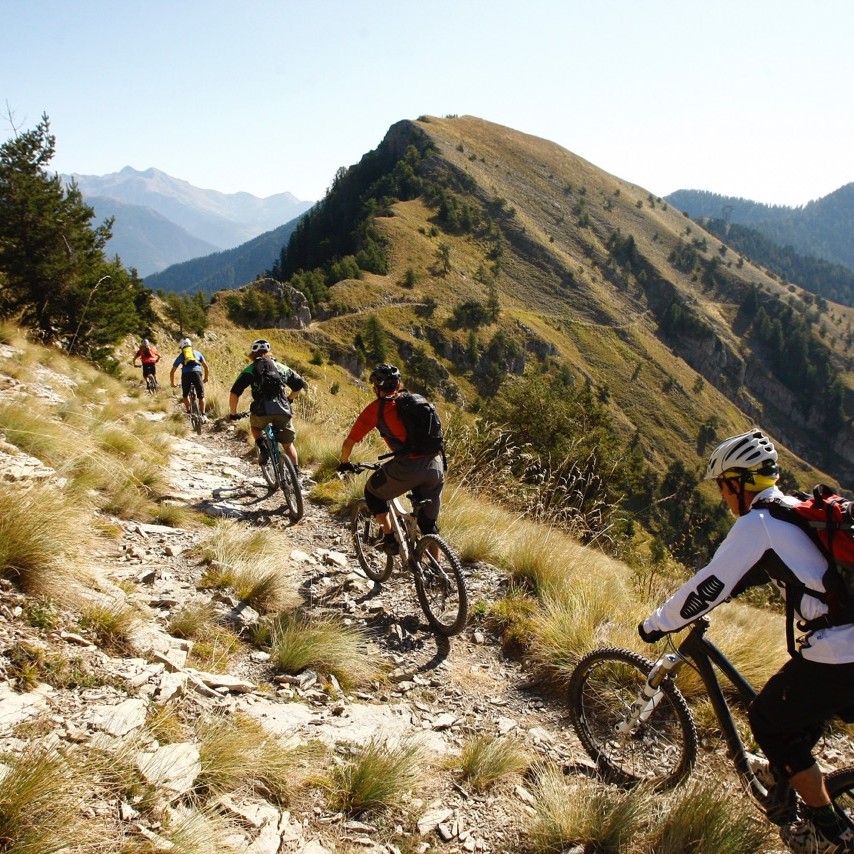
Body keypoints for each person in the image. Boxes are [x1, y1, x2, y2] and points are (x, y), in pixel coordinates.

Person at [638, 429, 854, 854]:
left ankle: (830, 835)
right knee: (792, 713)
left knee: (768, 721)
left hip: (841, 651)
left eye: (723, 486)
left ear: (738, 482)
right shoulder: (790, 509)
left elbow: (709, 584)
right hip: (843, 645)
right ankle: (786, 773)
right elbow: (756, 573)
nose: (722, 496)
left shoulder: (757, 524)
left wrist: (657, 624)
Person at [337, 364, 444, 556]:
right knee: (429, 525)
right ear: (398, 384)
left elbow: (349, 442)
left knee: (373, 493)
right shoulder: (416, 401)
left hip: (409, 466)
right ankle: (437, 571)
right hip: (435, 464)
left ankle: (390, 540)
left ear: (377, 388)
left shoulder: (377, 409)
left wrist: (345, 463)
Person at [228, 339, 306, 467]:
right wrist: (289, 399)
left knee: (256, 428)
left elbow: (234, 393)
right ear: (269, 352)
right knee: (288, 445)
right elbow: (299, 384)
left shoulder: (250, 369)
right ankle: (296, 478)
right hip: (282, 409)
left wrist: (233, 413)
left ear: (252, 354)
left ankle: (263, 448)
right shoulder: (281, 367)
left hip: (261, 410)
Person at [169, 337, 209, 421]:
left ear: (182, 348)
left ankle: (188, 412)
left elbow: (172, 371)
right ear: (191, 345)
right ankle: (203, 415)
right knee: (201, 396)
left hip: (186, 375)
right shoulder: (197, 353)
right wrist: (205, 378)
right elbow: (206, 367)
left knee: (185, 395)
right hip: (197, 373)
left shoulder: (181, 355)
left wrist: (172, 383)